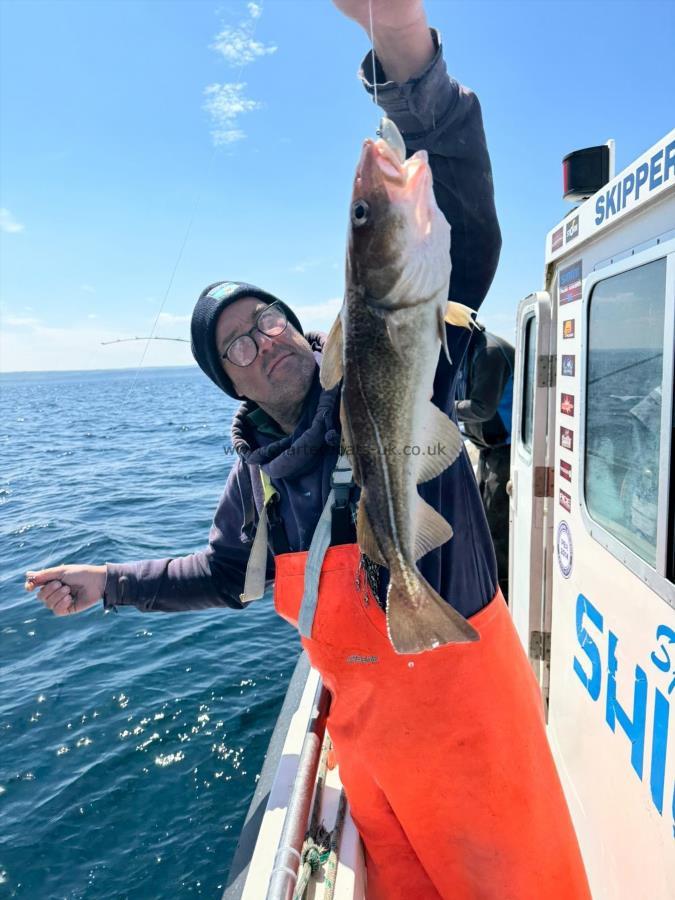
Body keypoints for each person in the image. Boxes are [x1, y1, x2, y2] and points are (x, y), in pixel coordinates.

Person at [25, 2, 590, 897]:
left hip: (474, 726)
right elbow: (222, 575)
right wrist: (108, 583)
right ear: (233, 385)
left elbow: (465, 227)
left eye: (270, 321)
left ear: (307, 324)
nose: (264, 342)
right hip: (371, 763)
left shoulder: (400, 341)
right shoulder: (256, 485)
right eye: (237, 347)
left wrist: (400, 41)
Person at [455, 324, 514, 601]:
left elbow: (481, 408)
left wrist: (438, 406)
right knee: (480, 515)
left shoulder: (488, 353)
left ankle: (500, 595)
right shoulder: (466, 351)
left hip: (509, 450)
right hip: (488, 449)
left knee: (495, 526)